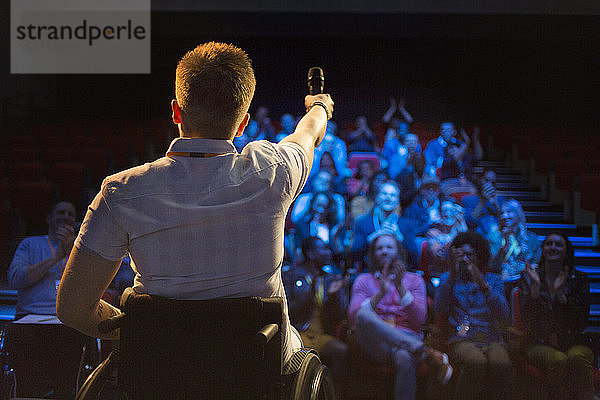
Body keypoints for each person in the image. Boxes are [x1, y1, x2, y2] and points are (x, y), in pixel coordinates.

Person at [56, 42, 335, 369]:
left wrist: (144, 331)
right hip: (259, 374)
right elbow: (307, 134)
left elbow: (73, 308)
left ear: (176, 111)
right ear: (243, 122)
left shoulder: (121, 192)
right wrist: (319, 107)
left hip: (161, 373)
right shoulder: (272, 171)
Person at [348, 232, 452, 400]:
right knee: (363, 315)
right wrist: (381, 292)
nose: (384, 251)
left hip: (406, 337)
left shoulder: (415, 280)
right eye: (379, 248)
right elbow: (354, 317)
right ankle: (426, 352)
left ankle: (420, 351)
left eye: (389, 247)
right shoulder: (363, 280)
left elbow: (420, 319)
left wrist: (400, 287)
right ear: (373, 253)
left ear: (398, 251)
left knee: (404, 356)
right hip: (376, 343)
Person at [7, 201, 86, 398]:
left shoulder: (81, 250)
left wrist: (71, 253)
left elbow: (87, 285)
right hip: (30, 317)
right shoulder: (30, 244)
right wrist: (57, 256)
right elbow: (16, 280)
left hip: (65, 319)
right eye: (61, 212)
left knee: (74, 335)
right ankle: (27, 393)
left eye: (70, 213)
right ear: (49, 218)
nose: (66, 216)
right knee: (20, 335)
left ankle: (64, 393)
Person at [434, 232, 512, 400]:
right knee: (476, 362)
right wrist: (452, 277)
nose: (465, 259)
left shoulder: (493, 280)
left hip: (491, 338)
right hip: (461, 339)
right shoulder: (447, 279)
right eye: (461, 255)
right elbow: (439, 308)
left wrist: (483, 286)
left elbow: (504, 314)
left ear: (480, 256)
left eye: (469, 255)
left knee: (501, 363)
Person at [519, 233, 594, 400]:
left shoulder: (579, 279)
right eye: (549, 244)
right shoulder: (530, 278)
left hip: (572, 340)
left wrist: (562, 298)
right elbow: (527, 322)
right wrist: (535, 293)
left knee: (578, 356)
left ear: (566, 251)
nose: (553, 247)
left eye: (558, 245)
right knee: (558, 359)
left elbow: (582, 322)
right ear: (543, 250)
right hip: (539, 341)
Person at [283, 237, 349, 396]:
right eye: (323, 249)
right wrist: (308, 294)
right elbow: (287, 311)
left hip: (321, 335)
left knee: (341, 351)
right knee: (297, 359)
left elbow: (339, 317)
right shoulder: (291, 276)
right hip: (298, 334)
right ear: (311, 253)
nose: (328, 253)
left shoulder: (330, 279)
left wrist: (333, 296)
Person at [351, 181, 418, 266]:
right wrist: (372, 239)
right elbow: (354, 255)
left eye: (393, 195)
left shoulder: (407, 224)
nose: (388, 197)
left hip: (398, 272)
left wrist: (400, 238)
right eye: (384, 194)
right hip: (370, 271)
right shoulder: (363, 223)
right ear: (377, 198)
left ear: (397, 201)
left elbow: (414, 259)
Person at [489, 198, 540, 298]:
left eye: (509, 212)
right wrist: (505, 246)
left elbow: (535, 262)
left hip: (524, 284)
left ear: (518, 214)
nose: (504, 216)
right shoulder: (494, 237)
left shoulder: (531, 238)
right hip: (500, 284)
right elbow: (491, 266)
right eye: (501, 213)